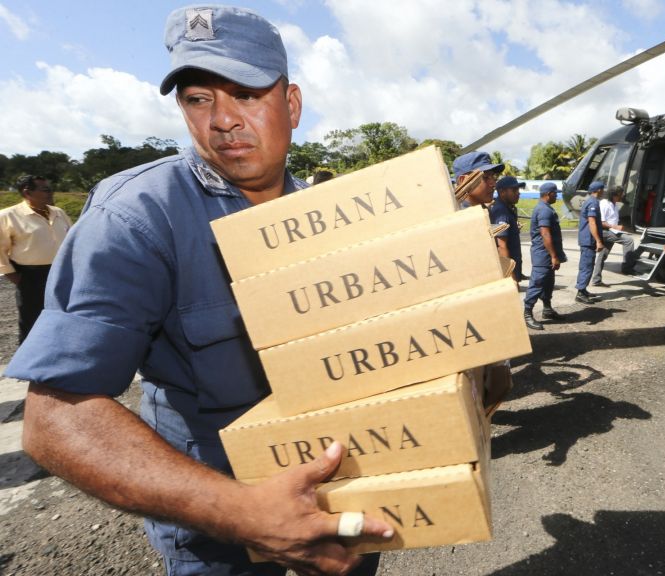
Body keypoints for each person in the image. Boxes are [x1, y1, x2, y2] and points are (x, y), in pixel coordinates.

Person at [6, 6, 392, 576]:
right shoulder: (136, 216)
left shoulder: (333, 215)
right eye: (198, 98)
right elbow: (55, 417)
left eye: (245, 93)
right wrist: (242, 512)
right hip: (218, 526)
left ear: (291, 104)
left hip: (342, 491)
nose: (224, 120)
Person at [0, 175, 73, 343]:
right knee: (31, 322)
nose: (50, 192)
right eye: (45, 189)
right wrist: (15, 277)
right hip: (30, 277)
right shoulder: (8, 216)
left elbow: (72, 238)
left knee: (61, 318)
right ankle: (27, 366)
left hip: (61, 273)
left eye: (50, 188)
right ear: (27, 192)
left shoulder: (58, 213)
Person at [524, 182, 566, 330]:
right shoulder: (544, 210)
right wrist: (554, 256)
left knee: (548, 283)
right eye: (556, 193)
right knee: (537, 284)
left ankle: (547, 309)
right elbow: (545, 234)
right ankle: (527, 314)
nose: (557, 196)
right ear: (549, 194)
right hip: (543, 255)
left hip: (547, 254)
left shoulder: (545, 208)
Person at [590, 185, 636, 286]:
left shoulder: (614, 205)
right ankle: (627, 268)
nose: (622, 197)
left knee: (603, 255)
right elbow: (600, 222)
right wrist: (615, 227)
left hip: (611, 231)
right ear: (614, 195)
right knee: (628, 240)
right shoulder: (604, 204)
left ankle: (596, 280)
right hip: (604, 231)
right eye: (620, 195)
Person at [489, 175, 525, 282]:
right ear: (502, 192)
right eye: (514, 190)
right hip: (508, 272)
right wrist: (511, 277)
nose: (518, 193)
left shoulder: (507, 209)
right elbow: (501, 246)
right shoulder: (501, 213)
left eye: (518, 189)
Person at [574, 181, 605, 304]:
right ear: (598, 190)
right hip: (588, 240)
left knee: (586, 265)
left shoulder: (590, 201)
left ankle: (583, 289)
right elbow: (592, 222)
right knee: (587, 266)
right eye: (602, 189)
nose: (604, 191)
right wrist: (598, 241)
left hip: (586, 239)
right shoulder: (593, 202)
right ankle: (580, 292)